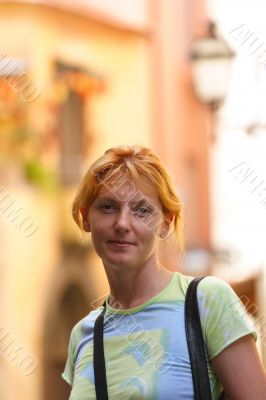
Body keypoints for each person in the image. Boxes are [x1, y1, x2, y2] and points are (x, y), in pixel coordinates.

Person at [62, 145, 266, 399]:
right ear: (85, 217)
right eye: (108, 207)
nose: (122, 223)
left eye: (142, 210)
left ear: (166, 224)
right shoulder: (84, 332)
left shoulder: (206, 302)